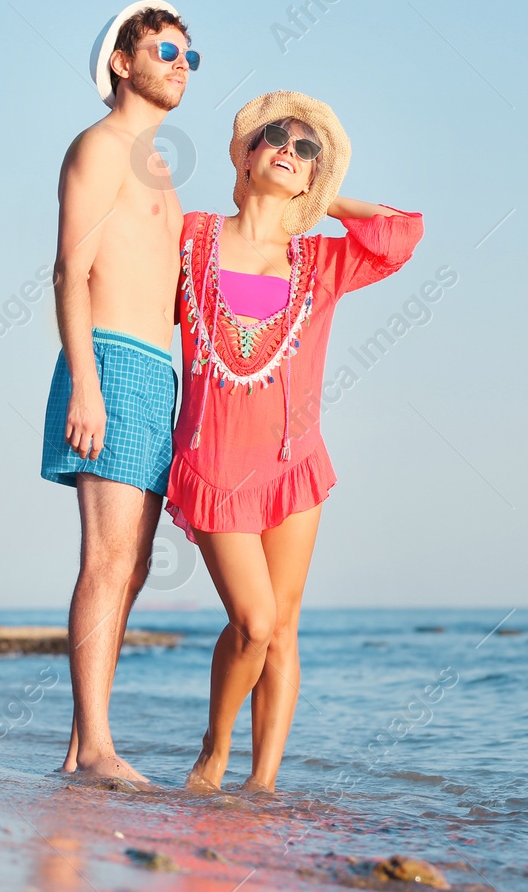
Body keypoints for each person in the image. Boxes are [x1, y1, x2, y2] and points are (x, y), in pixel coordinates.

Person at [167, 91, 423, 792]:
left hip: (293, 466)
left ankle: (262, 787)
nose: (290, 147)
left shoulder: (320, 260)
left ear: (314, 175)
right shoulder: (192, 237)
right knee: (252, 621)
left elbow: (401, 234)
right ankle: (214, 752)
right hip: (212, 463)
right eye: (276, 136)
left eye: (307, 148)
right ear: (246, 155)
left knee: (283, 629)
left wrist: (327, 200)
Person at [39, 0, 200, 782]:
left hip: (155, 371)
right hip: (108, 360)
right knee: (107, 559)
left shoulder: (159, 164)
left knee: (132, 567)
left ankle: (79, 749)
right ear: (120, 61)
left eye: (188, 56)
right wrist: (87, 386)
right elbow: (71, 269)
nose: (181, 64)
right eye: (167, 49)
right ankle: (98, 747)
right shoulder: (100, 146)